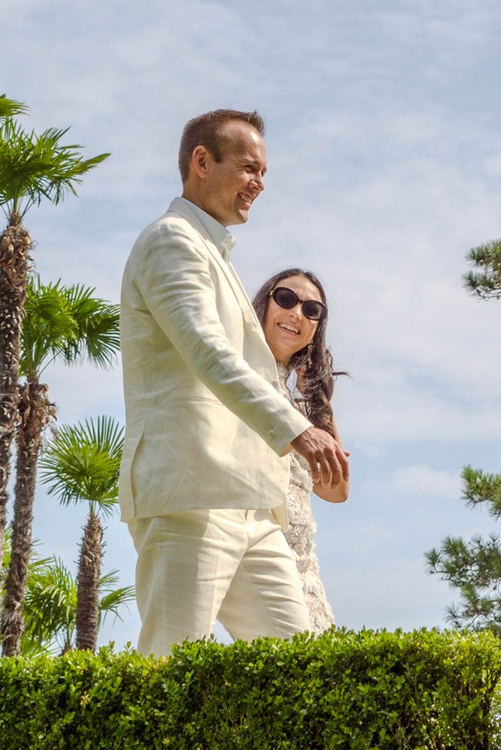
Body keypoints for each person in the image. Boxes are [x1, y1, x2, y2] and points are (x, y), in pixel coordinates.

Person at [119, 108, 353, 657]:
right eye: (249, 168)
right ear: (202, 161)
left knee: (302, 667)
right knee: (169, 667)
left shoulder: (214, 252)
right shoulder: (170, 241)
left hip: (254, 507)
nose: (259, 183)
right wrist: (298, 429)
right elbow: (208, 350)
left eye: (263, 172)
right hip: (191, 495)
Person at [251, 265, 343, 628]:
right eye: (286, 299)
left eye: (311, 309)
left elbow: (336, 490)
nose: (296, 313)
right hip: (256, 552)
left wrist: (320, 403)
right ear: (263, 305)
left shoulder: (298, 405)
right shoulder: (238, 378)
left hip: (304, 570)